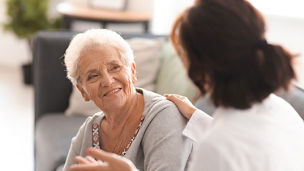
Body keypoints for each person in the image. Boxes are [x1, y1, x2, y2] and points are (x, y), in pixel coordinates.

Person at [68, 0, 304, 170]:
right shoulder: (281, 111)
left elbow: (231, 145)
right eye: (93, 76)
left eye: (182, 53)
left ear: (197, 66)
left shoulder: (217, 146)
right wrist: (197, 118)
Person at [63, 29, 192, 171]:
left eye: (115, 67)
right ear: (83, 91)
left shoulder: (164, 115)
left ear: (132, 71)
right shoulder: (89, 130)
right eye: (93, 76)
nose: (107, 81)